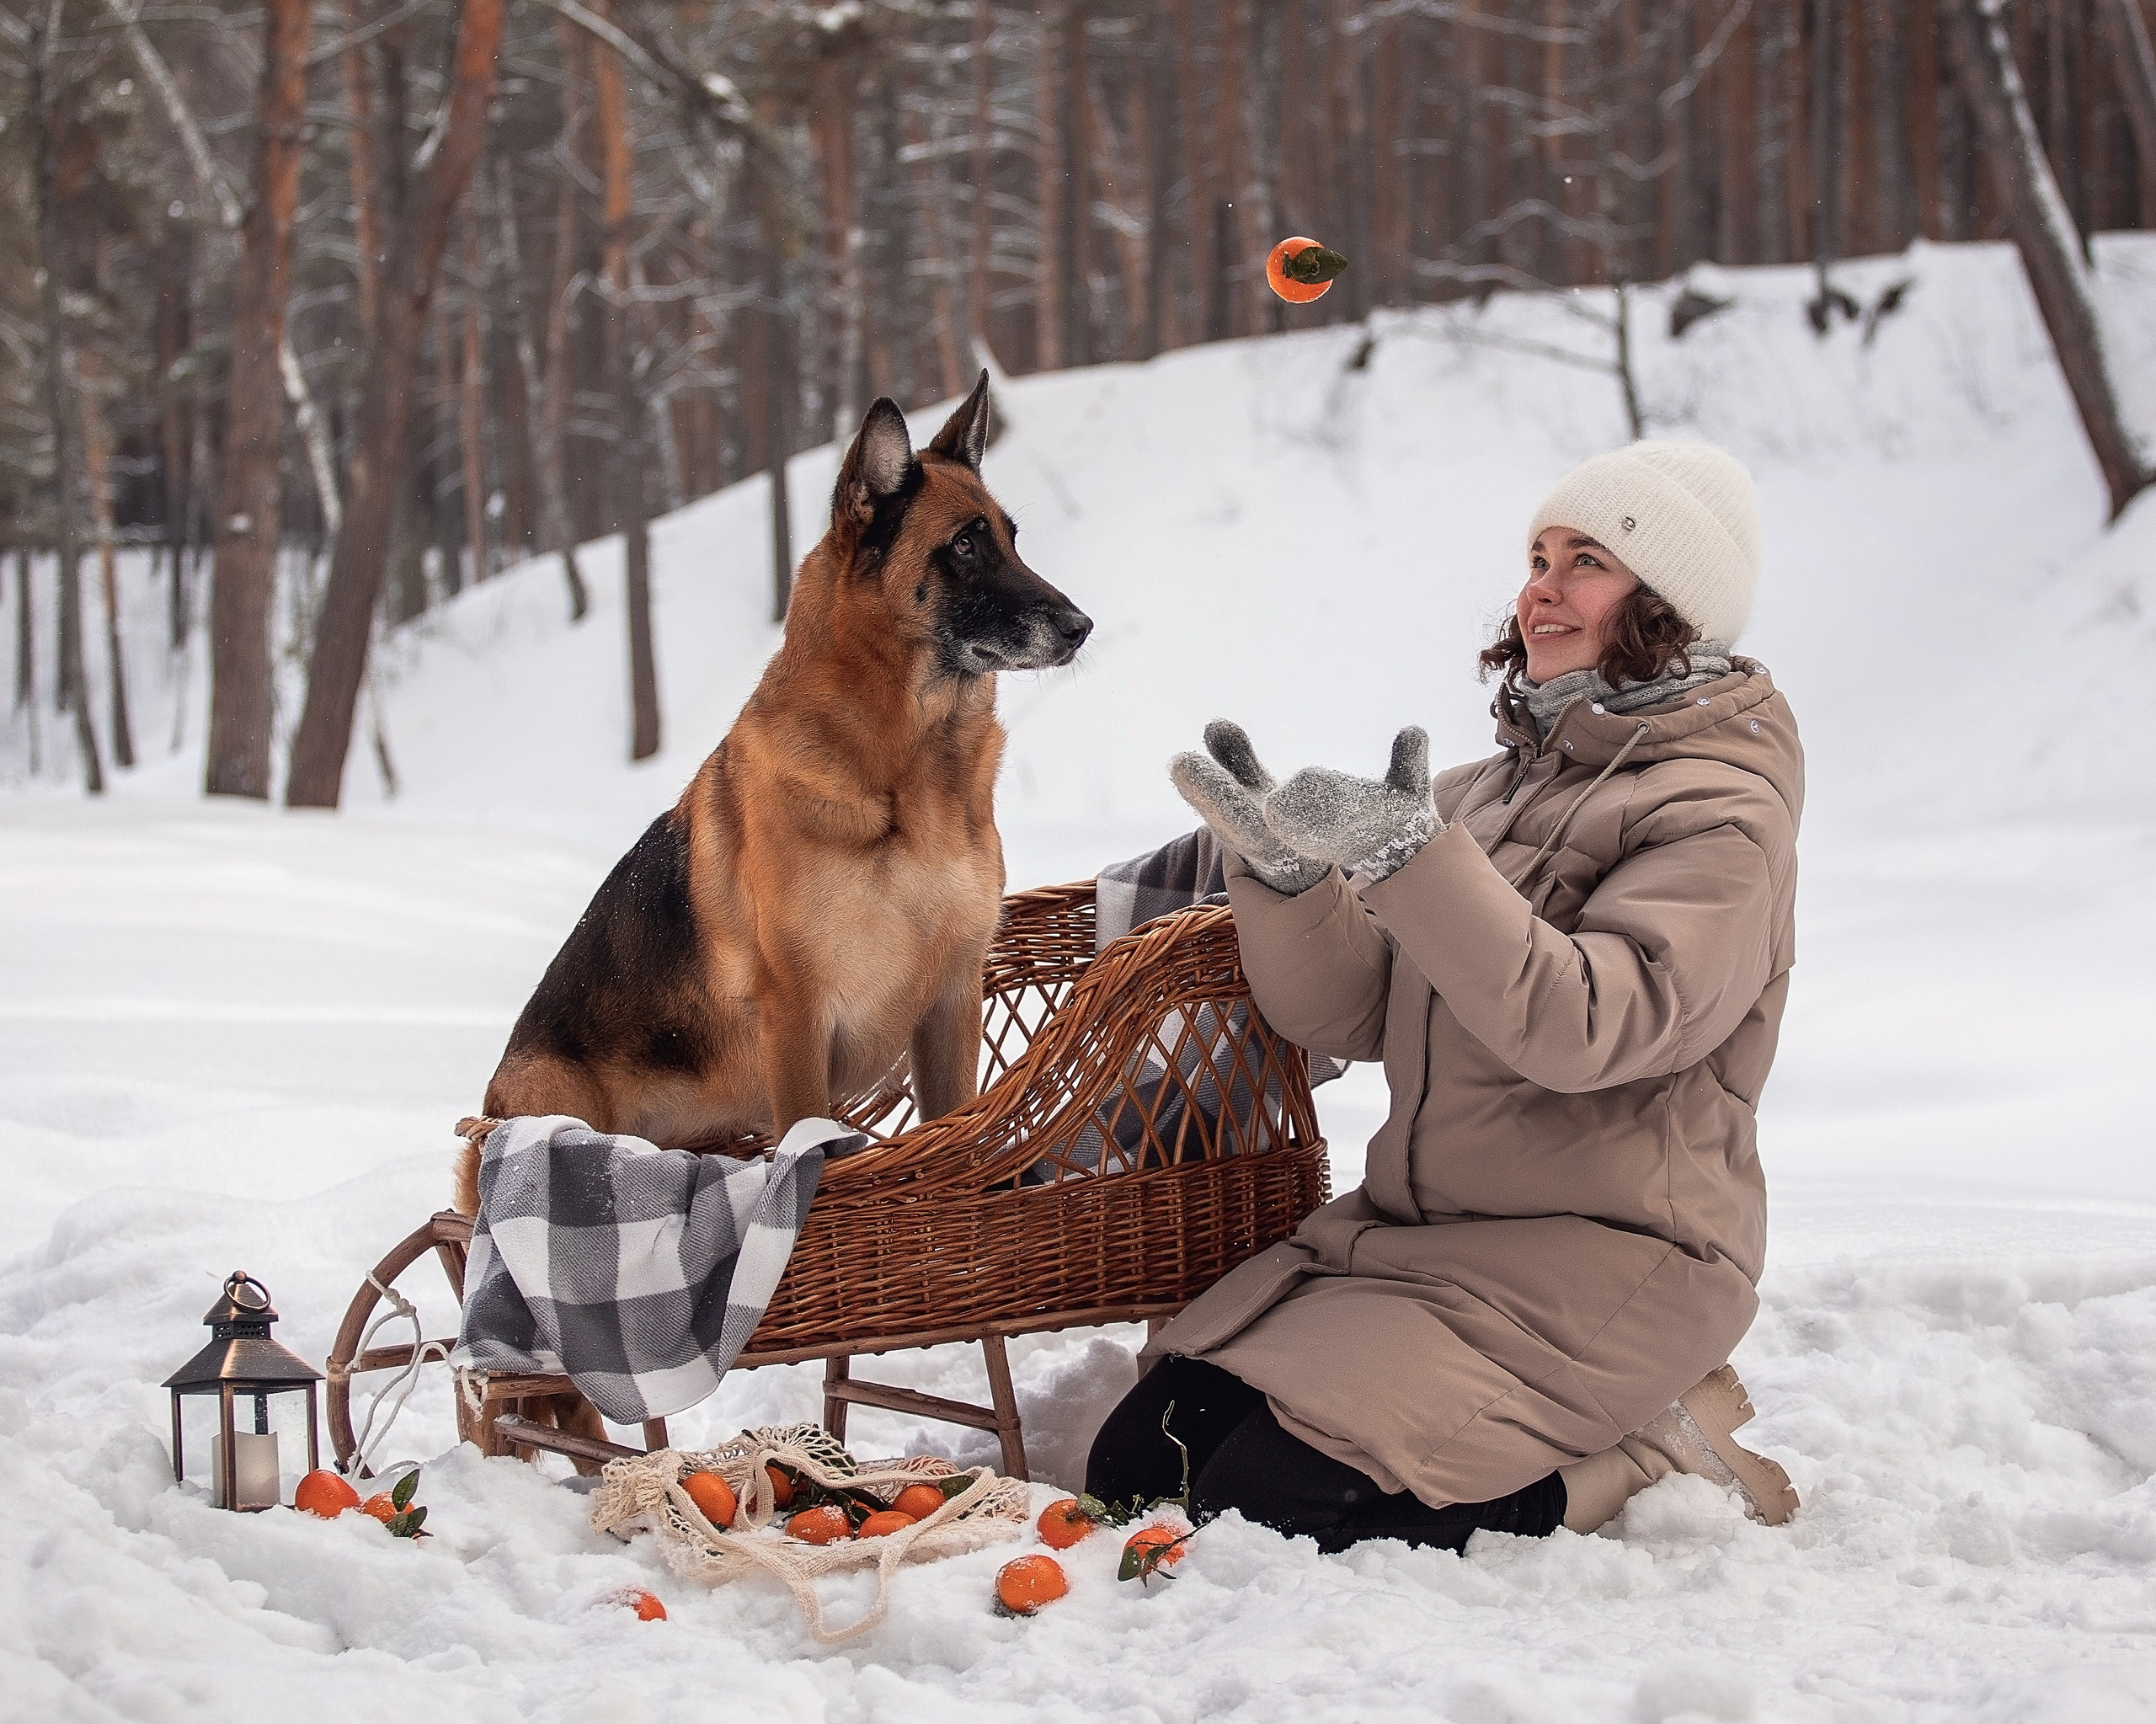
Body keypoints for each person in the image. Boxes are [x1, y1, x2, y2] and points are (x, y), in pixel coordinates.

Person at [1085, 440, 1803, 1552]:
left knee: (1277, 1507)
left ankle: (1643, 1448)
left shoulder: (1721, 817)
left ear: (1669, 603)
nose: (1542, 588)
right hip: (1419, 1243)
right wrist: (1284, 878)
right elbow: (1354, 1013)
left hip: (1606, 1260)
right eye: (1537, 556)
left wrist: (1417, 858)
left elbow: (1585, 1026)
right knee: (1140, 1467)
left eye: (1587, 561)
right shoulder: (1489, 790)